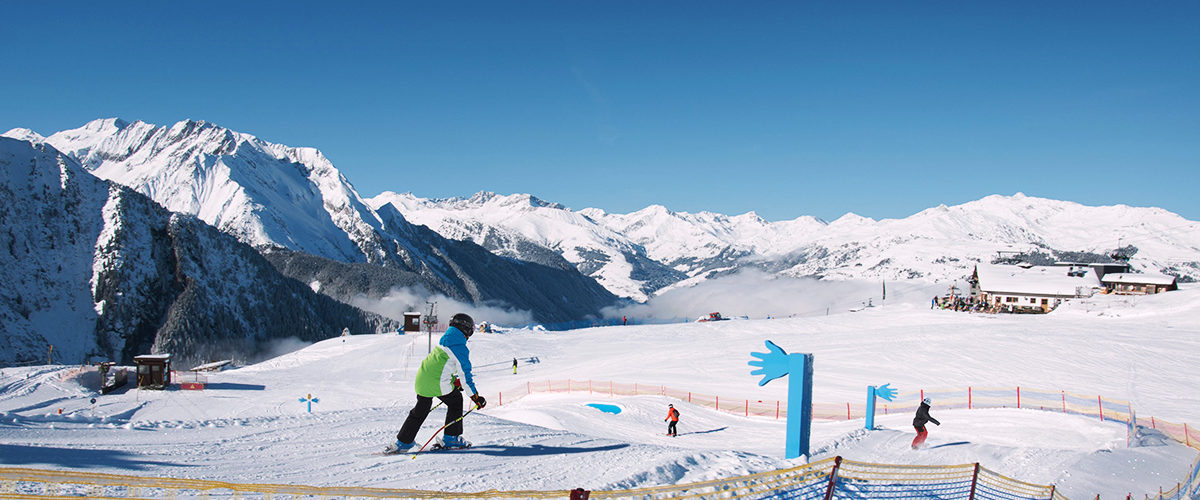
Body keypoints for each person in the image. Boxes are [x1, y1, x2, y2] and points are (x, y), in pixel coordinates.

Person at [390, 313, 486, 452]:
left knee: (420, 410)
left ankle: (403, 442)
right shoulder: (458, 347)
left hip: (422, 380)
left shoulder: (445, 340)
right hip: (436, 382)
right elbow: (466, 376)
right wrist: (475, 397)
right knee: (455, 401)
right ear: (466, 329)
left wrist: (453, 382)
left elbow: (440, 367)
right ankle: (451, 437)